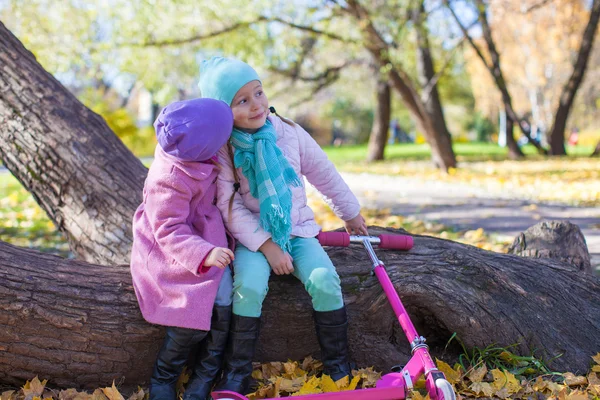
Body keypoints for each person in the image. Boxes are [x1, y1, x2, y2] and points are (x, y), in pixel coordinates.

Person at [198, 57, 368, 395]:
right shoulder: (226, 150)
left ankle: (338, 365)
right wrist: (267, 246)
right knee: (247, 285)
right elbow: (228, 206)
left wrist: (349, 213)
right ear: (224, 112)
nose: (256, 105)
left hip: (299, 230)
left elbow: (324, 173)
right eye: (242, 101)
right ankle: (237, 372)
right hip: (254, 239)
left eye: (258, 93)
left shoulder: (288, 132)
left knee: (324, 280)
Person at [130, 98, 237, 400]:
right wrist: (203, 253)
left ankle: (205, 374)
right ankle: (164, 375)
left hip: (205, 234)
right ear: (205, 147)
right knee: (187, 307)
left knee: (225, 295)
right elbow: (167, 229)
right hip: (173, 248)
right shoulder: (168, 179)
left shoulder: (199, 154)